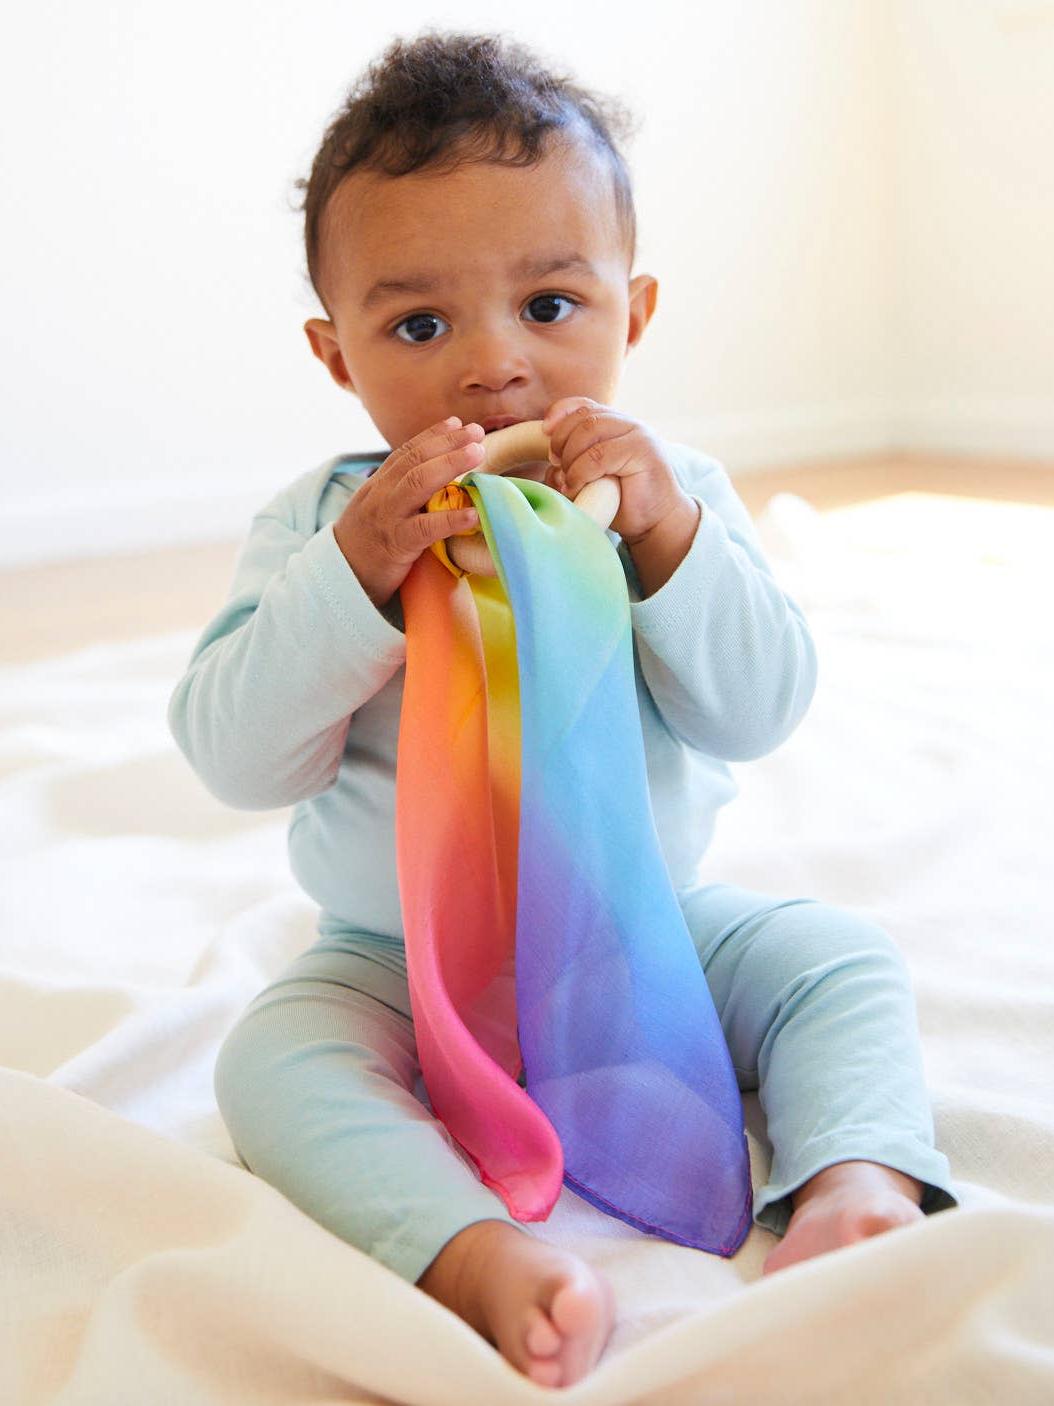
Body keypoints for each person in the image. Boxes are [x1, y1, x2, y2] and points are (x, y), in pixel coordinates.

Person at [168, 29, 957, 1391]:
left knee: (835, 960)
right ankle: (475, 1252)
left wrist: (661, 544)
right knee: (268, 1061)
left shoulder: (671, 488)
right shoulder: (318, 527)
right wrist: (355, 575)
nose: (493, 366)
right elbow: (233, 755)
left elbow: (759, 707)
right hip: (397, 958)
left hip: (644, 924)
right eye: (418, 324)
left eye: (548, 305)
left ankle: (852, 1179)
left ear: (631, 311)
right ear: (333, 349)